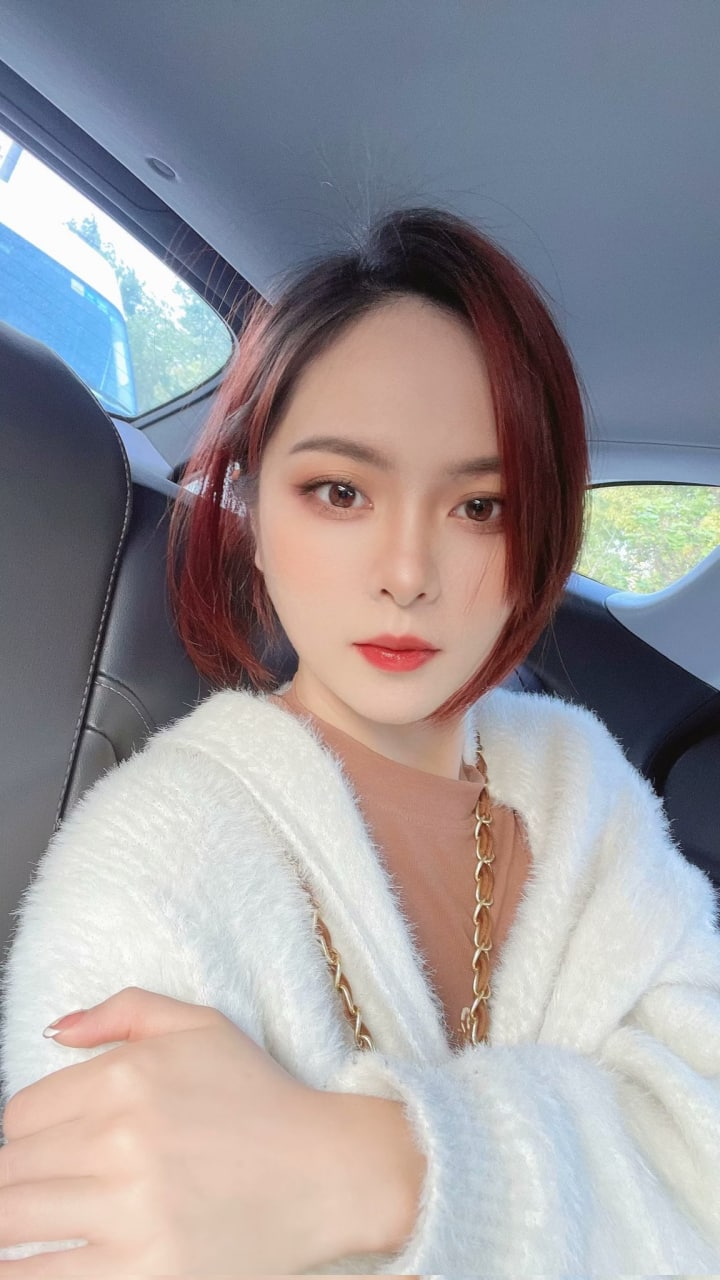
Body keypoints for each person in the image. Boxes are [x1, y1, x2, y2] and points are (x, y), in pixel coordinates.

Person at [1, 206, 719, 1275]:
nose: (407, 572)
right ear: (254, 510)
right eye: (340, 491)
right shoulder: (144, 866)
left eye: (481, 506)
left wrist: (386, 1167)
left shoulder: (588, 793)